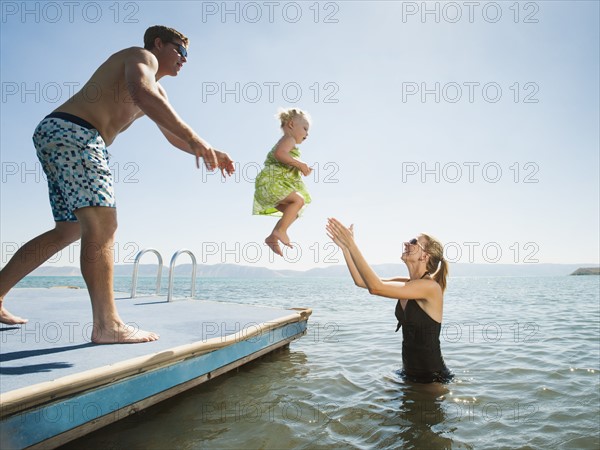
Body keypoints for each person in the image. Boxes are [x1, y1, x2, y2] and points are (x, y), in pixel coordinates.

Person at [0, 26, 235, 343]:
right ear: (159, 44)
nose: (184, 59)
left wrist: (209, 150)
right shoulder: (142, 57)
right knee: (103, 225)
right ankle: (107, 325)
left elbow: (171, 133)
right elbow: (142, 93)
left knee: (68, 229)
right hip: (77, 135)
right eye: (180, 50)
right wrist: (196, 139)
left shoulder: (159, 93)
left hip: (56, 134)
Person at [326, 218, 453, 384]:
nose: (407, 243)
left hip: (432, 378)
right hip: (409, 374)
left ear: (425, 256)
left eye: (414, 242)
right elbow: (361, 281)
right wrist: (345, 248)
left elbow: (376, 287)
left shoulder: (430, 288)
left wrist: (352, 245)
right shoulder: (406, 283)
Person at [253, 108, 312, 256]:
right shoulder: (289, 139)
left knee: (293, 213)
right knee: (299, 201)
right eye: (305, 128)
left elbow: (283, 157)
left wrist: (300, 167)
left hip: (268, 186)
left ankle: (273, 237)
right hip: (272, 183)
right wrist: (300, 165)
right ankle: (280, 231)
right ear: (291, 124)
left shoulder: (287, 141)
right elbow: (279, 154)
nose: (307, 134)